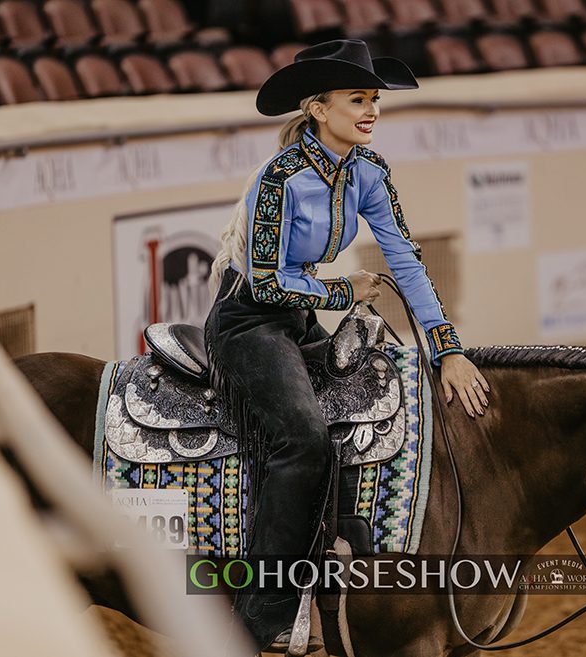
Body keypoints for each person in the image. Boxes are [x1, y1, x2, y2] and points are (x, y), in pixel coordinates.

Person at [205, 39, 490, 653]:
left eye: (373, 100)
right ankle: (262, 611)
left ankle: (339, 570)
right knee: (303, 438)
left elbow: (408, 264)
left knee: (371, 407)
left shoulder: (369, 170)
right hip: (248, 321)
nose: (371, 111)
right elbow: (264, 280)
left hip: (300, 315)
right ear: (317, 107)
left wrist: (449, 350)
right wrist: (344, 290)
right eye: (357, 100)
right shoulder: (279, 178)